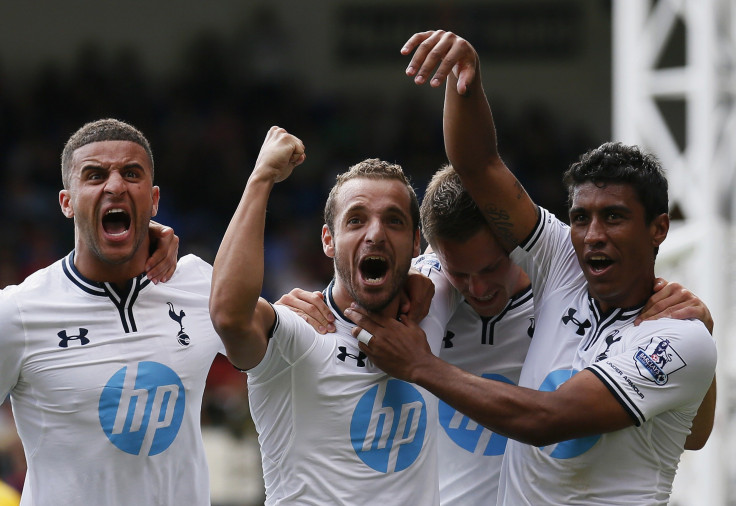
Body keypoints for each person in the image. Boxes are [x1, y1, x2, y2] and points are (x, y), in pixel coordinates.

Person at [343, 30, 717, 505]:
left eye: (615, 217)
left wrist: (421, 365)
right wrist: (469, 80)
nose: (593, 234)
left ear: (659, 229)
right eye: (581, 218)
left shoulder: (680, 336)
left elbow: (548, 420)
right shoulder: (563, 262)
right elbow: (479, 167)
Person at [281, 164, 715, 505]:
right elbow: (357, 296)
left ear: (518, 246)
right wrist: (292, 314)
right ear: (434, 255)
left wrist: (699, 346)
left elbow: (692, 435)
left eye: (492, 267)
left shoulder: (564, 302)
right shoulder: (426, 298)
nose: (480, 287)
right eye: (461, 272)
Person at [209, 126, 460, 504]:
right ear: (328, 240)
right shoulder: (297, 331)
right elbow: (229, 316)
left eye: (393, 220)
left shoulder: (438, 295)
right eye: (356, 220)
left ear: (415, 244)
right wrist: (261, 177)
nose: (375, 234)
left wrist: (421, 278)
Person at [0, 118, 224, 505]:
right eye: (95, 175)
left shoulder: (199, 284)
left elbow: (286, 344)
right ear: (66, 202)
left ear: (153, 200)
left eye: (131, 173)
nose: (116, 185)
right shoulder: (19, 311)